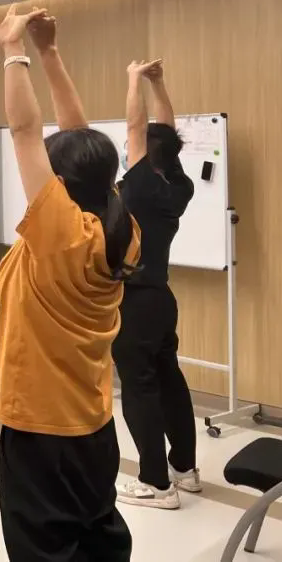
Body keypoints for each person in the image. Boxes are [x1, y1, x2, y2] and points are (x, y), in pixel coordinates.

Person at [0, 4, 140, 561]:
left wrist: (15, 51)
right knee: (96, 539)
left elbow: (26, 131)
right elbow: (80, 140)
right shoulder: (119, 228)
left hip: (41, 433)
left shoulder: (61, 238)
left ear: (59, 184)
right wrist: (50, 52)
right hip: (93, 427)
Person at [113, 59, 199, 509]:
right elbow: (164, 131)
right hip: (162, 298)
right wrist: (158, 84)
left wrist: (134, 80)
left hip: (135, 302)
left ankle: (156, 484)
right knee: (170, 381)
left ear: (146, 152)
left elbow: (137, 126)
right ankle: (185, 469)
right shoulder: (177, 185)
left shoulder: (141, 185)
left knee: (140, 387)